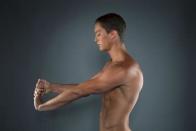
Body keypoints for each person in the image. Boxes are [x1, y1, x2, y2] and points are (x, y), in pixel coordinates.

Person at [33, 13, 143, 131]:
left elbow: (79, 92)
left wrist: (42, 106)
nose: (95, 39)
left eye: (98, 34)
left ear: (113, 34)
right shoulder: (111, 65)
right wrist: (51, 87)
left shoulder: (125, 69)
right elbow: (85, 87)